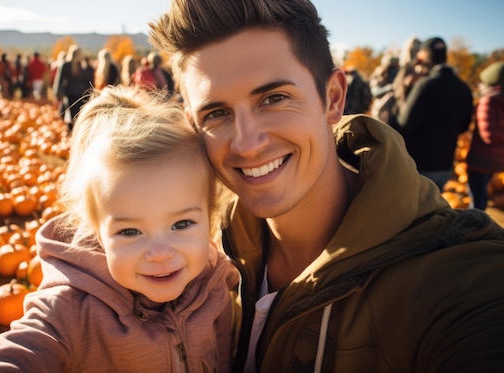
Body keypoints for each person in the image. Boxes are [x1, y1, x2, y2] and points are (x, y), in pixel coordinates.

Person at [149, 0, 504, 371]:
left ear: (333, 97)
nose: (247, 143)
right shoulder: (196, 246)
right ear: (193, 124)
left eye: (274, 98)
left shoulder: (454, 281)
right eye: (217, 113)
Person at [0, 85, 238, 372]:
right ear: (96, 229)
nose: (160, 253)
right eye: (130, 232)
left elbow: (223, 360)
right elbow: (21, 354)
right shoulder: (69, 310)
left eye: (181, 224)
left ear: (210, 215)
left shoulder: (212, 286)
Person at [394, 37, 474, 191]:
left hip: (419, 163)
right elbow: (464, 126)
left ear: (425, 57)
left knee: (414, 210)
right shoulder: (463, 88)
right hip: (445, 163)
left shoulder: (424, 86)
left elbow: (405, 123)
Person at [466, 61, 504, 210]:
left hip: (481, 160)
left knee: (477, 202)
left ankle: (474, 230)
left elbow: (488, 134)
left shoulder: (488, 101)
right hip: (497, 160)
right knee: (482, 199)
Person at [52, 45, 94, 130]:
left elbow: (59, 79)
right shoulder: (70, 65)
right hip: (76, 93)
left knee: (73, 114)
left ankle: (72, 130)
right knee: (75, 114)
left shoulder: (77, 65)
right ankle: (73, 131)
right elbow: (60, 79)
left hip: (72, 92)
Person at [369, 54, 399, 124]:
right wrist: (389, 88)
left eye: (395, 68)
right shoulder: (379, 75)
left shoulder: (399, 74)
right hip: (380, 113)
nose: (393, 71)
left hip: (394, 114)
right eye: (391, 68)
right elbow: (375, 93)